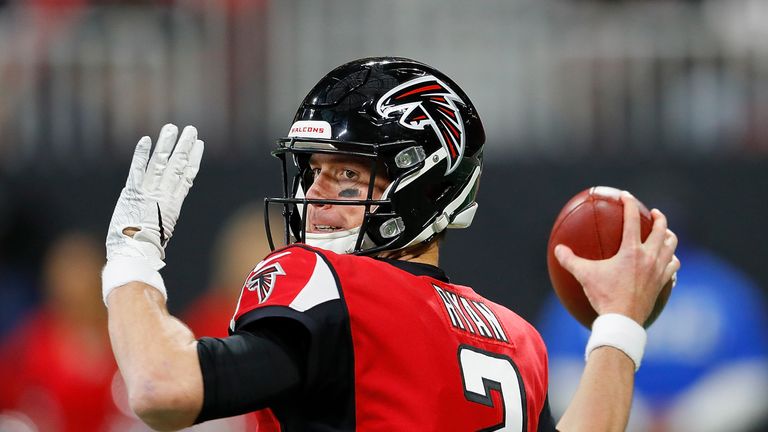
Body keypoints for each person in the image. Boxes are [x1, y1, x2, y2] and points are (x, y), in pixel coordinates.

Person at [102, 57, 680, 431]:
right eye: (314, 171)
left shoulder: (329, 285)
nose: (318, 194)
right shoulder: (517, 341)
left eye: (349, 175)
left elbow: (160, 386)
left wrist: (133, 256)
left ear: (424, 187)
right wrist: (619, 326)